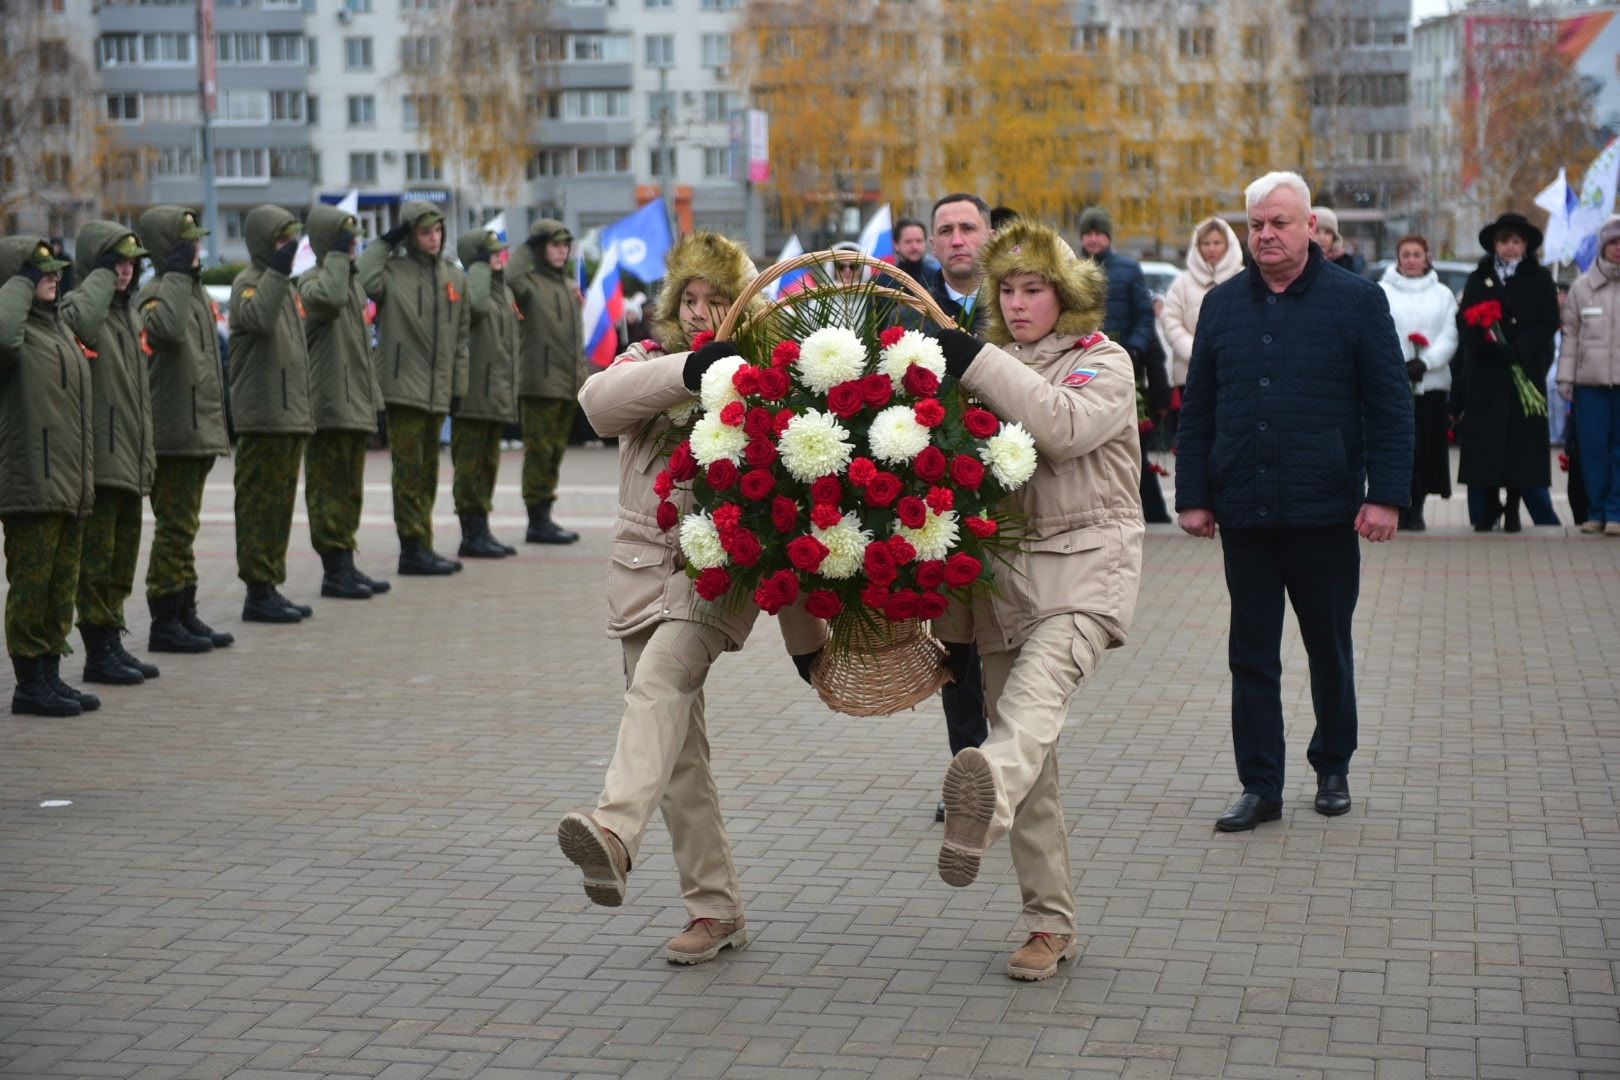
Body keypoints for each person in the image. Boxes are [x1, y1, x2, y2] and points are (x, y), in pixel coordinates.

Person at [556, 233, 827, 965]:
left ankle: (612, 831)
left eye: (717, 299)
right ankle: (716, 911)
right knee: (676, 756)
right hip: (642, 575)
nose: (702, 312)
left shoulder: (773, 378)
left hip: (717, 578)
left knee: (661, 681)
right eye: (690, 299)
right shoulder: (652, 365)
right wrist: (692, 369)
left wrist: (808, 642)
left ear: (746, 303)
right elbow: (597, 405)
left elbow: (798, 510)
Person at [929, 218, 1144, 981]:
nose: (1018, 304)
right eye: (1007, 291)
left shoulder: (1103, 360)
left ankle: (977, 807)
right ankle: (1049, 926)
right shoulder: (986, 365)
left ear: (1067, 295)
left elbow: (1063, 426)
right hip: (1004, 585)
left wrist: (978, 360)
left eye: (1034, 289)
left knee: (1030, 710)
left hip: (1087, 568)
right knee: (1035, 758)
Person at [1175, 171, 1412, 833]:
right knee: (1250, 653)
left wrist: (1386, 497)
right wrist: (1193, 495)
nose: (1265, 235)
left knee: (1326, 645)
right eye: (1255, 225)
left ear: (1311, 227)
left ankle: (1332, 764)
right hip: (1245, 510)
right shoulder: (1222, 306)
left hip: (1325, 510)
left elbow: (1390, 407)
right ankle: (1260, 786)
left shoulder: (1358, 303)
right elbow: (1198, 412)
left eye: (1279, 223)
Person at [899, 193, 996, 821]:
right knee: (956, 648)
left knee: (1013, 644)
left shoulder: (1020, 304)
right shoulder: (906, 312)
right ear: (931, 244)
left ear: (989, 235)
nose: (958, 239)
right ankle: (967, 772)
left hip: (1011, 497)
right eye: (946, 231)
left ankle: (1012, 769)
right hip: (934, 499)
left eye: (968, 228)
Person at [0, 236, 99, 715]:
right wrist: (16, 282)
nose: (54, 278)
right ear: (19, 280)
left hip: (69, 482)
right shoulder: (14, 336)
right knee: (32, 588)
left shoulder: (58, 328)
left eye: (57, 270)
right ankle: (28, 684)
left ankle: (50, 676)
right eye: (41, 272)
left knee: (61, 588)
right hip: (31, 484)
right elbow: (2, 336)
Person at [59, 222, 160, 685]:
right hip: (102, 460)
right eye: (115, 262)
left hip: (130, 459)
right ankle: (98, 651)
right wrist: (99, 277)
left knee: (121, 560)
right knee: (96, 565)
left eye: (131, 262)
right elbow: (79, 325)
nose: (126, 270)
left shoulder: (130, 313)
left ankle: (112, 641)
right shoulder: (84, 306)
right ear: (97, 265)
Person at [136, 206, 234, 652]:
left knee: (185, 527)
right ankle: (164, 619)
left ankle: (184, 610)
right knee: (174, 527)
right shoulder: (155, 294)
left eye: (196, 239)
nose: (197, 247)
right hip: (172, 433)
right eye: (186, 241)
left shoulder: (192, 293)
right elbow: (167, 332)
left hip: (196, 429)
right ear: (166, 250)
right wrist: (175, 274)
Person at [359, 201, 470, 575]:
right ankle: (411, 547)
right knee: (408, 472)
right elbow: (363, 276)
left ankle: (423, 543)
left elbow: (462, 337)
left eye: (438, 231)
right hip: (403, 388)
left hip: (437, 390)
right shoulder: (392, 272)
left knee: (427, 473)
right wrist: (384, 241)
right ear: (410, 235)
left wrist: (458, 385)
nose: (434, 238)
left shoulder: (454, 277)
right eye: (425, 232)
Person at [229, 205, 317, 622]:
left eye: (291, 240)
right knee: (258, 505)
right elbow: (259, 320)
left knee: (280, 505)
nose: (288, 248)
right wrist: (279, 273)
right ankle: (256, 590)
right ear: (265, 242)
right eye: (281, 240)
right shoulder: (249, 284)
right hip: (262, 416)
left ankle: (271, 584)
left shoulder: (288, 288)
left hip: (289, 415)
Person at [299, 205, 389, 599]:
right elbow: (330, 299)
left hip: (354, 405)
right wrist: (335, 254)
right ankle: (334, 570)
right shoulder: (312, 282)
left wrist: (373, 403)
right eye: (344, 240)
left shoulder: (351, 284)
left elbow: (359, 351)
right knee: (327, 490)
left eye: (352, 240)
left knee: (350, 489)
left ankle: (346, 563)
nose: (352, 246)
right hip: (328, 406)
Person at [1454, 212, 1561, 532]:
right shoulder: (1480, 276)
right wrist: (1491, 346)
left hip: (1524, 371)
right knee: (1486, 444)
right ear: (1495, 245)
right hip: (1487, 372)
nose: (1510, 247)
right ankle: (1489, 508)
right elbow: (1466, 320)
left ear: (1525, 244)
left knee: (1521, 445)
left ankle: (1514, 506)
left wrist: (1521, 348)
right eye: (1504, 241)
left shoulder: (1540, 278)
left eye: (1516, 241)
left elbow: (1548, 321)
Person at [1078, 207, 1171, 523]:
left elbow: (1144, 316)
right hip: (1083, 363)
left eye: (1098, 233)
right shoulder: (1072, 268)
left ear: (1108, 236)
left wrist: (1133, 348)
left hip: (1126, 365)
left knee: (1131, 443)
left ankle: (1151, 512)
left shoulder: (1128, 269)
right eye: (1088, 233)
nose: (1093, 239)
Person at [507, 219, 585, 545]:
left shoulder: (568, 287)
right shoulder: (528, 283)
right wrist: (527, 245)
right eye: (554, 244)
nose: (562, 250)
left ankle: (545, 516)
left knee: (554, 452)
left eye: (565, 245)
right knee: (539, 452)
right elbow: (509, 276)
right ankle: (536, 521)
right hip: (539, 383)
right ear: (539, 248)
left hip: (566, 383)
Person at [1379, 234, 1458, 532]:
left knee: (1425, 448)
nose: (1411, 260)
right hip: (1393, 382)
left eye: (1417, 254)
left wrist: (1425, 362)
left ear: (1428, 257)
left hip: (1431, 382)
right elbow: (1377, 331)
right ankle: (1396, 504)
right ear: (1398, 258)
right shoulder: (1382, 291)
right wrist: (1396, 364)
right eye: (1406, 254)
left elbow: (1450, 335)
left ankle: (1419, 505)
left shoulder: (1442, 294)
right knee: (1395, 447)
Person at [450, 227, 520, 558]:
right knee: (470, 467)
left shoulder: (501, 291)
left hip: (495, 393)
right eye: (490, 252)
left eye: (499, 250)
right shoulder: (469, 285)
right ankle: (470, 532)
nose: (499, 255)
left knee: (488, 465)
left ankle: (482, 529)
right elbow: (474, 307)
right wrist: (477, 267)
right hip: (472, 395)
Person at [1558, 215, 1620, 536]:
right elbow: (1570, 337)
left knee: (1618, 450)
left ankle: (1616, 511)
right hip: (1589, 385)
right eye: (1613, 243)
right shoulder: (1582, 287)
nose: (1618, 249)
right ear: (1602, 246)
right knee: (1593, 449)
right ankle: (1595, 511)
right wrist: (1566, 380)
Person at [1161, 217, 1244, 395]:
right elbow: (1170, 321)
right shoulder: (1182, 283)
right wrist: (1195, 353)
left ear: (1228, 244)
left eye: (1217, 242)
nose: (1211, 248)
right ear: (1197, 246)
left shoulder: (1244, 279)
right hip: (1191, 372)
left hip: (1236, 371)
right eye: (1206, 243)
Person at [877, 215, 937, 292]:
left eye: (919, 241)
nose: (915, 246)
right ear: (896, 245)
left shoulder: (937, 279)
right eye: (908, 241)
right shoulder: (882, 283)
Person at [1311, 207, 1362, 273]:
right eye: (1316, 231)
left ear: (1334, 237)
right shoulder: (1298, 264)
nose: (1322, 238)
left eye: (1328, 232)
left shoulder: (1345, 262)